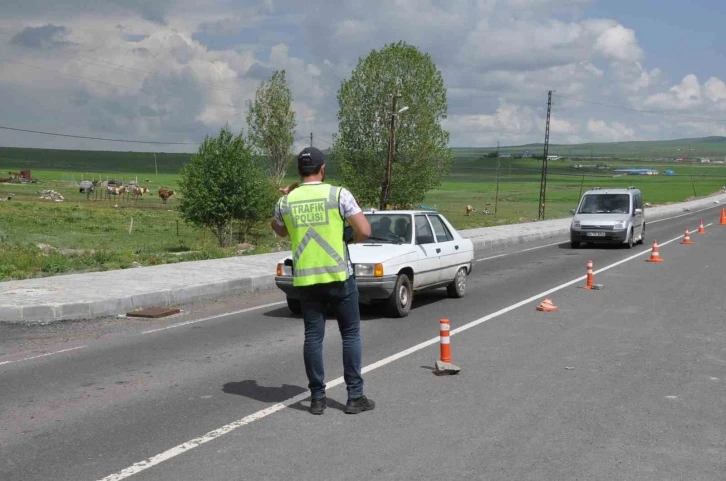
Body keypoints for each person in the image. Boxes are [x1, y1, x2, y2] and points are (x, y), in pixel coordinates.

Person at [271, 147, 374, 415]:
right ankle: (355, 397)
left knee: (312, 337)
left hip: (306, 280)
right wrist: (347, 237)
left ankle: (317, 399)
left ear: (298, 171)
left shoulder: (286, 201)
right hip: (339, 277)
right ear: (323, 168)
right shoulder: (338, 194)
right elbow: (365, 230)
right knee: (350, 334)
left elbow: (279, 230)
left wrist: (287, 198)